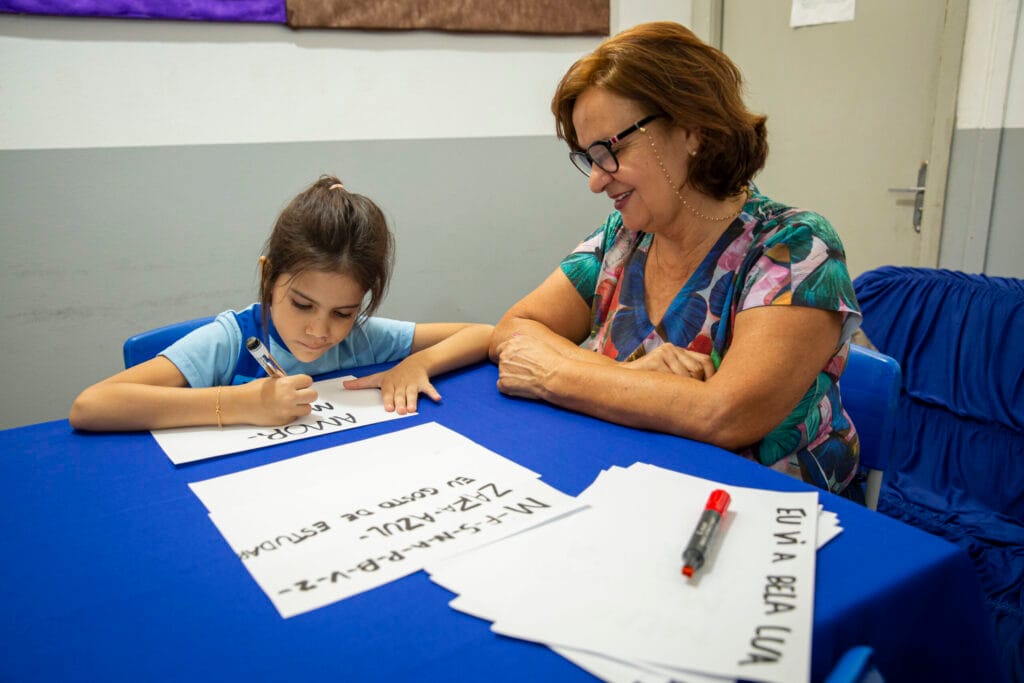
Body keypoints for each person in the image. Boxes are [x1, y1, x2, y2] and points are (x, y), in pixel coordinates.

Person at [489, 22, 863, 496]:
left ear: (691, 129)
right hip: (638, 485)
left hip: (768, 509)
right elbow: (513, 329)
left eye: (610, 150)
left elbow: (725, 414)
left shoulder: (795, 246)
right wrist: (630, 376)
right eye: (588, 158)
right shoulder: (623, 238)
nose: (596, 181)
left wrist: (554, 374)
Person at [70, 175, 492, 431]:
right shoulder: (230, 342)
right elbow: (91, 406)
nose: (320, 331)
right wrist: (241, 404)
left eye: (343, 313)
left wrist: (417, 364)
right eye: (302, 305)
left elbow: (485, 334)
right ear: (269, 276)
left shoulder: (360, 339)